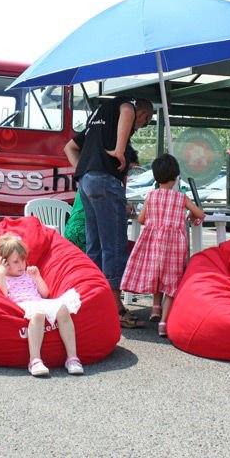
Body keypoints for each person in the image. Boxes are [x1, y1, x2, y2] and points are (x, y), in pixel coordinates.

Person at [64, 97, 154, 328]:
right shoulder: (127, 105)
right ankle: (116, 308)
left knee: (95, 246)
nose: (137, 127)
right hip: (104, 180)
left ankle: (91, 300)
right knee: (113, 245)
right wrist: (120, 150)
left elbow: (70, 147)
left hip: (86, 181)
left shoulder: (97, 118)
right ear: (142, 115)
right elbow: (127, 109)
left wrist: (87, 169)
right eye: (141, 123)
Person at [120, 154, 205, 337]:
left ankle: (155, 309)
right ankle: (164, 323)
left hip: (153, 243)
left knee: (157, 274)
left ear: (156, 177)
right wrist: (189, 216)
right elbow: (200, 214)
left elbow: (142, 219)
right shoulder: (181, 198)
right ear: (176, 176)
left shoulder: (151, 196)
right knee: (171, 281)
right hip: (174, 246)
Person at [0, 233, 84, 377]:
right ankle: (34, 360)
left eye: (23, 260)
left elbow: (45, 293)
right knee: (38, 314)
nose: (21, 265)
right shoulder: (1, 277)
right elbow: (2, 296)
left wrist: (37, 277)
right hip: (22, 306)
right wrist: (2, 275)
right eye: (16, 262)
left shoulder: (28, 274)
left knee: (63, 309)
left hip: (38, 301)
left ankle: (72, 358)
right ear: (3, 262)